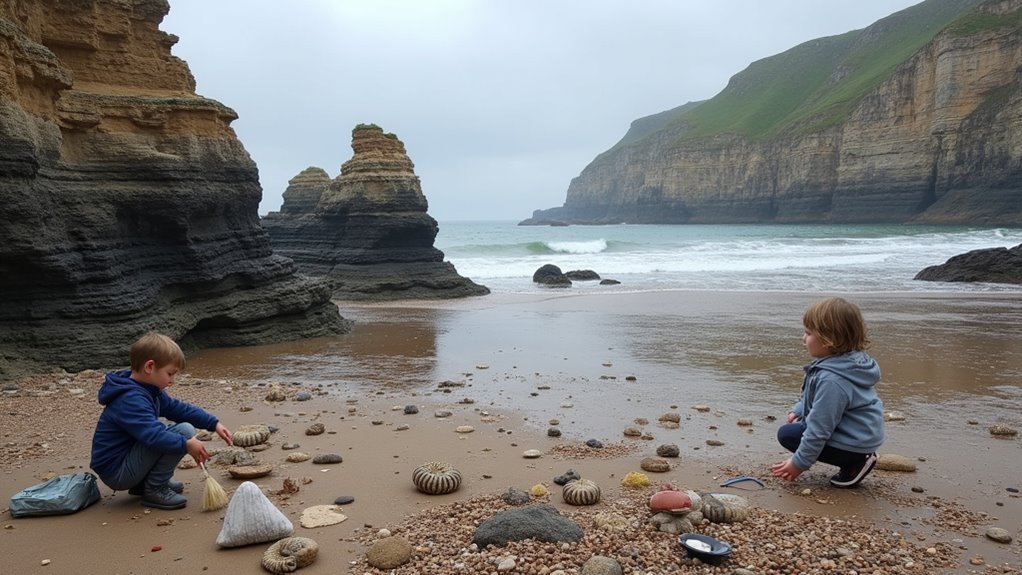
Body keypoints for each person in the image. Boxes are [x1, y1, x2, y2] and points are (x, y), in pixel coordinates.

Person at [90, 332, 233, 509]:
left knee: (176, 430)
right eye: (170, 373)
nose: (172, 380)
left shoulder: (147, 390)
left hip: (124, 463)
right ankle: (155, 488)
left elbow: (179, 409)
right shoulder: (130, 399)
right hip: (117, 472)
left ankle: (145, 484)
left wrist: (213, 423)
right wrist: (186, 444)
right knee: (183, 432)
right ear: (150, 366)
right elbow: (153, 436)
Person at [771, 297, 884, 488]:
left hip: (855, 443)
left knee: (788, 435)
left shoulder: (832, 380)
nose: (803, 338)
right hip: (861, 434)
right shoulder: (848, 363)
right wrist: (799, 409)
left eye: (808, 333)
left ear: (829, 340)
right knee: (796, 428)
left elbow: (819, 428)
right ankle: (857, 456)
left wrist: (798, 464)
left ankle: (855, 464)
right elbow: (815, 397)